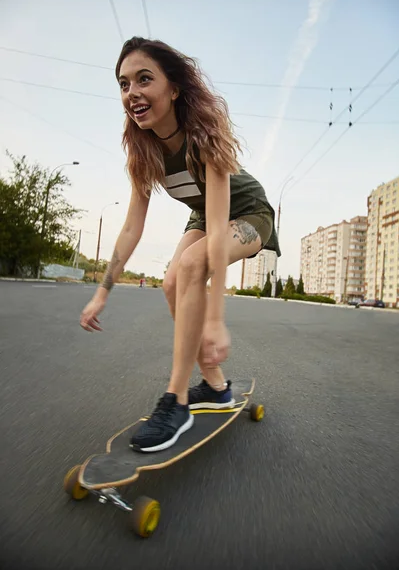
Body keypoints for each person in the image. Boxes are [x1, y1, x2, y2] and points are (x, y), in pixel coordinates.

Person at [80, 37, 280, 453]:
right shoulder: (143, 148)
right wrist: (102, 292)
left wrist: (215, 319)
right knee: (172, 282)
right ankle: (215, 384)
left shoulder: (204, 132)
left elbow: (221, 213)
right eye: (123, 84)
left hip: (247, 211)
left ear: (173, 88)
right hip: (204, 216)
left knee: (190, 264)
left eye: (144, 79)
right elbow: (133, 227)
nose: (132, 92)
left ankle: (178, 401)